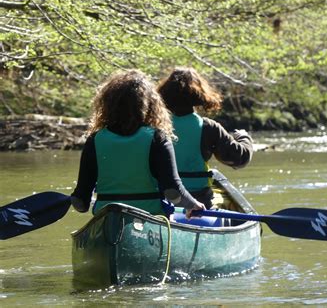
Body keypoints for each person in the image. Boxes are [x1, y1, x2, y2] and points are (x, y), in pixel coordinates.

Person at [70, 70, 205, 218]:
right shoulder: (157, 137)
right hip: (150, 218)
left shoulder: (95, 139)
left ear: (108, 104)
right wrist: (192, 204)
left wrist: (77, 201)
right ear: (150, 105)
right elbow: (172, 193)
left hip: (106, 217)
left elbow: (81, 202)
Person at [157, 66, 253, 209]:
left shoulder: (154, 126)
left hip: (162, 199)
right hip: (199, 200)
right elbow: (239, 159)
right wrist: (244, 137)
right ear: (198, 94)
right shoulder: (209, 127)